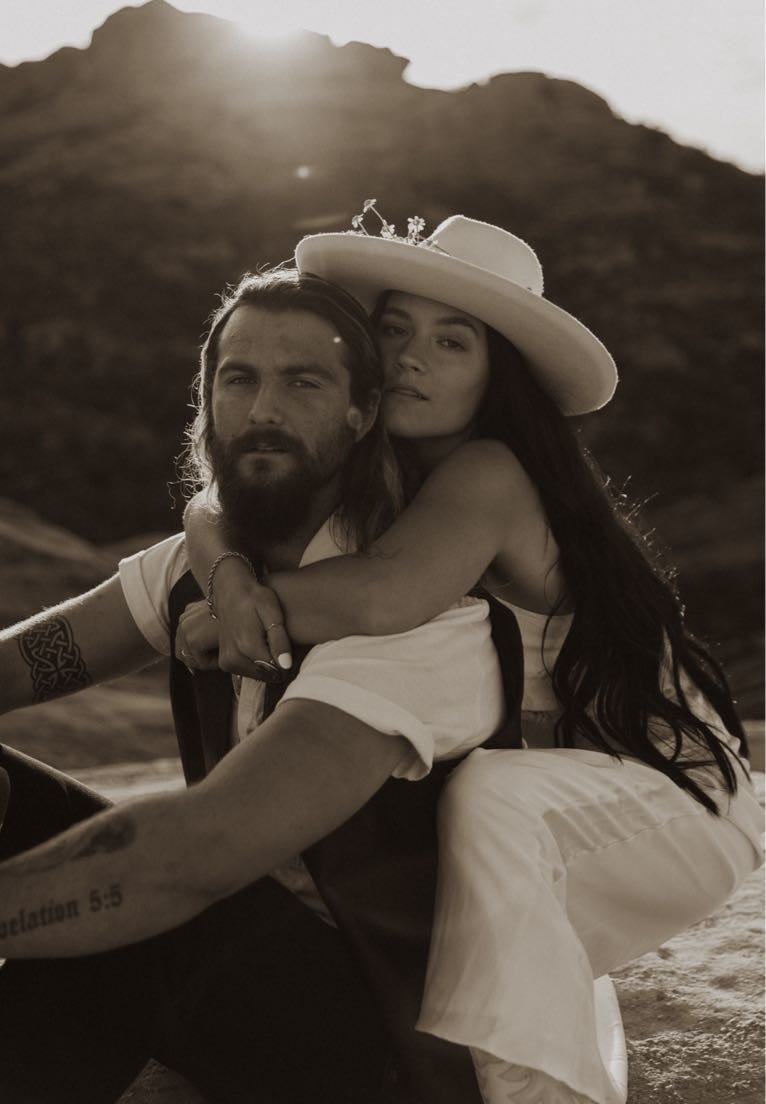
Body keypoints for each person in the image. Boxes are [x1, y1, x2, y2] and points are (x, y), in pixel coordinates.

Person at [178, 208, 764, 1104]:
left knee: (490, 799)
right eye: (395, 329)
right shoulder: (371, 473)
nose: (413, 357)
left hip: (672, 795)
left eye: (452, 343)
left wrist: (240, 610)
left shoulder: (489, 470)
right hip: (567, 794)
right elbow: (209, 503)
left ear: (499, 379)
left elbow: (383, 596)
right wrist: (224, 574)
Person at [0, 270, 520, 1104]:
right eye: (239, 378)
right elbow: (20, 665)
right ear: (207, 404)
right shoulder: (195, 569)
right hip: (227, 950)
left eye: (303, 381)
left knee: (132, 918)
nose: (263, 409)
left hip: (369, 1031)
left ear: (362, 414)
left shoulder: (420, 618)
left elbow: (200, 852)